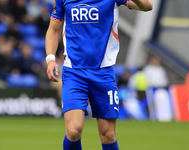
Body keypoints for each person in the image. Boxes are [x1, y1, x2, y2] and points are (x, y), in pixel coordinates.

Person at [45, 0, 153, 150]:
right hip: (74, 73)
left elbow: (147, 6)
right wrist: (50, 59)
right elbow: (53, 29)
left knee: (108, 135)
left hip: (103, 73)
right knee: (73, 131)